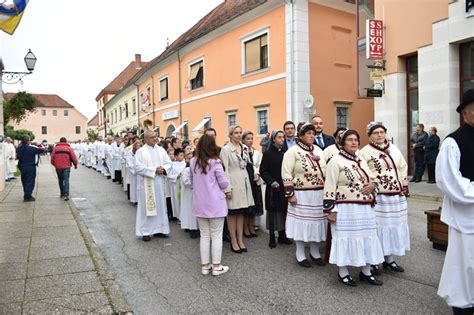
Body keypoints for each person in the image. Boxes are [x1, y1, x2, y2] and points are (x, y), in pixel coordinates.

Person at [323, 130, 384, 286]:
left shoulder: (361, 159)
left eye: (356, 139)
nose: (354, 142)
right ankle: (343, 272)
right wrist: (331, 210)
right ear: (342, 143)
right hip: (345, 208)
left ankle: (366, 272)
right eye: (349, 140)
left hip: (364, 208)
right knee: (344, 239)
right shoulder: (335, 161)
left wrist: (372, 185)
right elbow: (329, 185)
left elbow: (372, 178)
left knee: (367, 238)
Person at [436, 89, 474, 314]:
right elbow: (449, 182)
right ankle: (462, 305)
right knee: (465, 264)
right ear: (465, 113)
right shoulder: (452, 143)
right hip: (466, 216)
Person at [359, 122, 410, 275]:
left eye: (382, 132)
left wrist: (403, 183)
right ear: (370, 136)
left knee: (394, 226)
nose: (380, 135)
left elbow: (402, 166)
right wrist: (372, 183)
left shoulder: (393, 148)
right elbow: (362, 171)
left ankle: (389, 258)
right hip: (379, 196)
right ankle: (375, 260)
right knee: (379, 227)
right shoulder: (364, 152)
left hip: (396, 194)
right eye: (376, 133)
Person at [282, 123, 327, 267]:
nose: (311, 136)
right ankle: (300, 253)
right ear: (301, 136)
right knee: (301, 224)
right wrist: (290, 194)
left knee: (316, 223)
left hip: (318, 194)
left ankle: (315, 252)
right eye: (308, 133)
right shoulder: (292, 152)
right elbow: (286, 173)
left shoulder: (319, 151)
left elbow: (326, 171)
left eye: (313, 134)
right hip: (301, 194)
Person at [190, 135, 231, 276]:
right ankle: (217, 266)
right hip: (215, 203)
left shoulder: (193, 161)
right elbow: (224, 183)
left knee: (204, 235)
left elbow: (191, 181)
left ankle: (205, 265)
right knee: (216, 235)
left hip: (199, 203)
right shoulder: (215, 162)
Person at [220, 125, 254, 253]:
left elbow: (248, 164)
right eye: (236, 133)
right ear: (230, 135)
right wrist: (227, 188)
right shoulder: (226, 149)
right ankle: (233, 240)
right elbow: (225, 170)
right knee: (232, 213)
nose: (239, 135)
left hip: (244, 182)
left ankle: (240, 240)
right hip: (233, 182)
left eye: (240, 132)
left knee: (241, 212)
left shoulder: (244, 147)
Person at [134, 131, 172, 242]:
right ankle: (146, 231)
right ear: (145, 139)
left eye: (155, 137)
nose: (155, 139)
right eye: (152, 137)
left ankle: (159, 229)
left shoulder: (161, 150)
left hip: (159, 183)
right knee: (147, 207)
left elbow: (169, 163)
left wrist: (164, 169)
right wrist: (154, 170)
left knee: (160, 206)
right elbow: (138, 168)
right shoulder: (140, 152)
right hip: (147, 184)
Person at [259, 130, 292, 248]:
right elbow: (263, 170)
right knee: (273, 212)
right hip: (273, 188)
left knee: (283, 211)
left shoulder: (285, 153)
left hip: (284, 187)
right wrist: (271, 181)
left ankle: (282, 236)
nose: (282, 139)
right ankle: (272, 237)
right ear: (273, 139)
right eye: (279, 137)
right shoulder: (268, 154)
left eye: (283, 137)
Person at [242, 131, 263, 237]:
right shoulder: (242, 152)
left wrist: (258, 173)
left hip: (255, 181)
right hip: (246, 180)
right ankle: (245, 227)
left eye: (251, 138)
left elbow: (259, 165)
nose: (250, 141)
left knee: (254, 203)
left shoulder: (256, 153)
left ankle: (252, 225)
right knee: (247, 205)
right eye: (248, 139)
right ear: (243, 140)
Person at [16, 136, 44, 201]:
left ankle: (26, 193)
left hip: (22, 166)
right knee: (30, 181)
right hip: (30, 167)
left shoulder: (18, 148)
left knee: (24, 181)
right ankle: (28, 196)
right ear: (28, 141)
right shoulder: (31, 148)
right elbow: (42, 150)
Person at [180, 150, 199, 238]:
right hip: (189, 194)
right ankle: (192, 228)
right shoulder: (186, 170)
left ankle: (198, 227)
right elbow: (186, 182)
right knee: (190, 211)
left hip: (197, 193)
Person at [168, 148, 186, 222]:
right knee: (176, 200)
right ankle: (178, 217)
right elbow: (169, 175)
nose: (182, 157)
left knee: (183, 200)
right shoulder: (172, 165)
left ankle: (184, 217)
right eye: (180, 155)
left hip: (184, 184)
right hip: (175, 184)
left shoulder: (185, 164)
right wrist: (176, 176)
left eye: (183, 155)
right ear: (176, 156)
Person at [126, 140, 142, 204]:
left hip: (140, 171)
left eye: (140, 146)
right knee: (134, 185)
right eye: (137, 146)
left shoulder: (141, 152)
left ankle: (139, 200)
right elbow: (129, 161)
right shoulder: (130, 152)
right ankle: (134, 199)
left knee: (139, 186)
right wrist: (134, 169)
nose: (138, 147)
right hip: (134, 171)